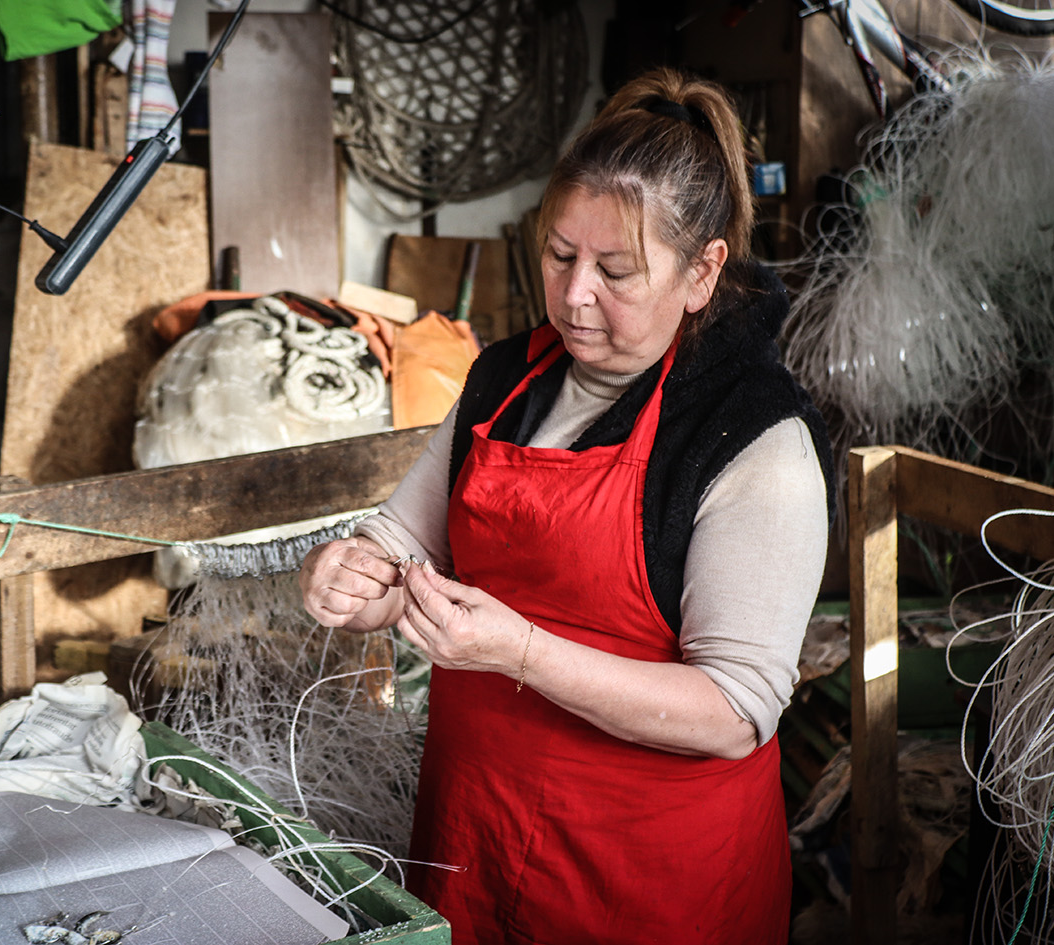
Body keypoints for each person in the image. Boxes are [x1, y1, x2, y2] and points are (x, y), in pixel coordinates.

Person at [300, 67, 833, 944]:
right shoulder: (507, 376)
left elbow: (733, 714)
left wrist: (517, 650)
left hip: (649, 878)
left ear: (702, 272)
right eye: (558, 254)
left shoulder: (755, 441)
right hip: (471, 836)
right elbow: (401, 535)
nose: (575, 294)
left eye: (615, 270)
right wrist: (352, 573)